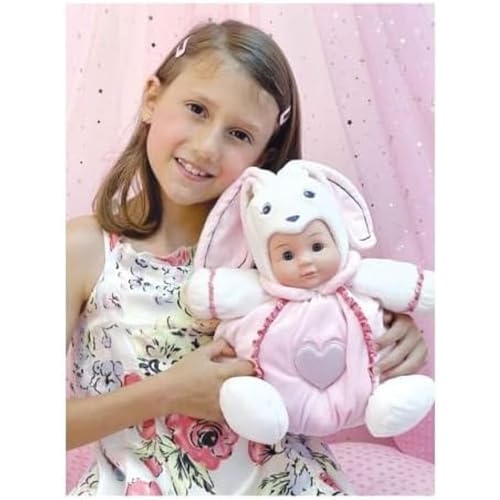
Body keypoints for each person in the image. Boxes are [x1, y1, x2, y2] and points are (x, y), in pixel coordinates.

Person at [66, 19, 430, 495]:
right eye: (197, 109)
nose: (207, 147)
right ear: (153, 98)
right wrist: (168, 392)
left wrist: (395, 340)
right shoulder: (85, 249)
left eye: (239, 134)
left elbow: (349, 326)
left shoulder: (283, 254)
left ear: (264, 153)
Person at [183, 160, 434, 446]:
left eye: (317, 247)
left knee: (386, 391)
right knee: (255, 397)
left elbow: (413, 286)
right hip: (280, 404)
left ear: (337, 237)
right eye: (287, 256)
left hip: (359, 393)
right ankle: (261, 410)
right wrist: (208, 290)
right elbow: (213, 293)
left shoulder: (358, 278)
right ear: (265, 258)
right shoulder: (260, 289)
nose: (305, 262)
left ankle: (387, 405)